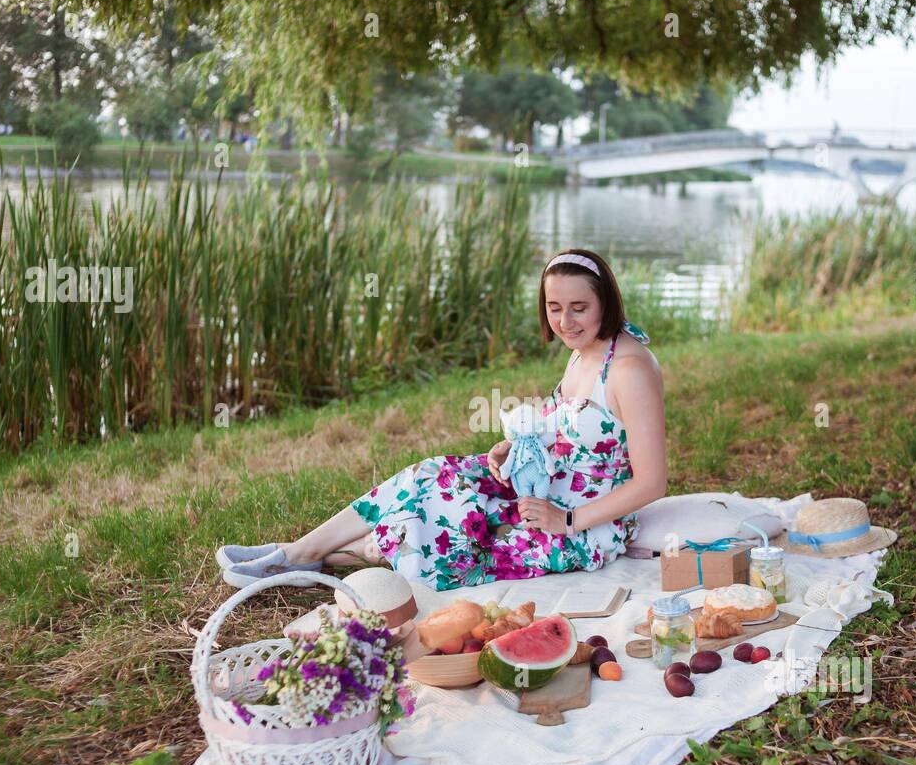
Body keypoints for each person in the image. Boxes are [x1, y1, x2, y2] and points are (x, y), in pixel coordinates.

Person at [219, 248, 668, 591]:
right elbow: (566, 428)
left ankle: (310, 561)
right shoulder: (582, 352)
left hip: (582, 524)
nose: (566, 322)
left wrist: (565, 522)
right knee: (433, 473)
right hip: (541, 485)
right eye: (555, 308)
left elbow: (652, 483)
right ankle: (301, 551)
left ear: (604, 303)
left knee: (455, 540)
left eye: (579, 308)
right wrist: (513, 448)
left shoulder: (629, 370)